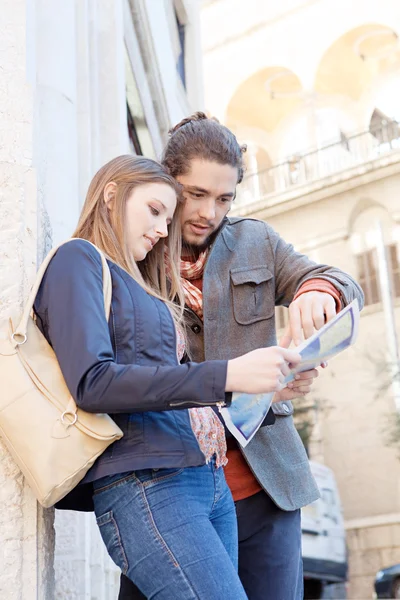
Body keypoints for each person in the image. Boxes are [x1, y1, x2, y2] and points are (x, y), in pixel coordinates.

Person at [33, 155, 310, 600]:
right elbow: (93, 383)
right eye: (155, 211)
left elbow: (172, 382)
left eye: (168, 217)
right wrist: (229, 375)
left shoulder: (140, 282)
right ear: (111, 195)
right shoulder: (77, 260)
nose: (164, 229)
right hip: (147, 480)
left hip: (207, 480)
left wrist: (262, 384)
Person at [118, 116, 364, 600]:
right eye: (196, 194)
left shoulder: (257, 241)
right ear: (168, 181)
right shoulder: (136, 251)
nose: (210, 212)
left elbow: (338, 279)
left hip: (265, 487)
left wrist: (319, 292)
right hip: (169, 492)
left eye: (225, 199)